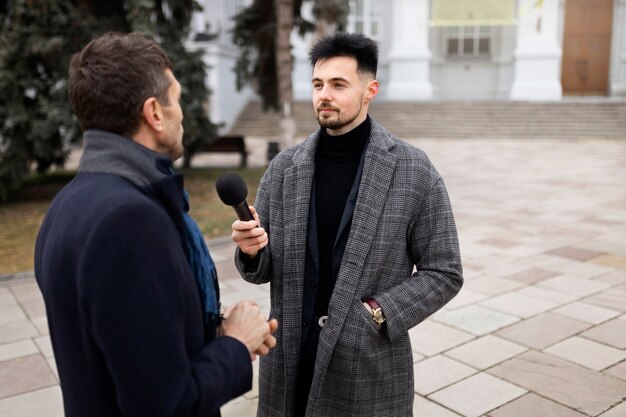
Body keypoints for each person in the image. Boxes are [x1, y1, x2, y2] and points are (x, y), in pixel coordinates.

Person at [34, 32, 277, 417]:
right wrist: (235, 345)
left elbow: (124, 345)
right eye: (177, 99)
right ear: (155, 113)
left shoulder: (67, 204)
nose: (182, 112)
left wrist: (210, 333)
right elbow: (164, 403)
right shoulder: (129, 221)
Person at [231, 32, 463, 416]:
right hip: (288, 362)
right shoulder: (284, 168)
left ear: (370, 89)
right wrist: (252, 252)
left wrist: (375, 312)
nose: (325, 95)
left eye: (339, 85)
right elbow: (262, 270)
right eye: (318, 84)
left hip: (365, 368)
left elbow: (444, 271)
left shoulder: (413, 169)